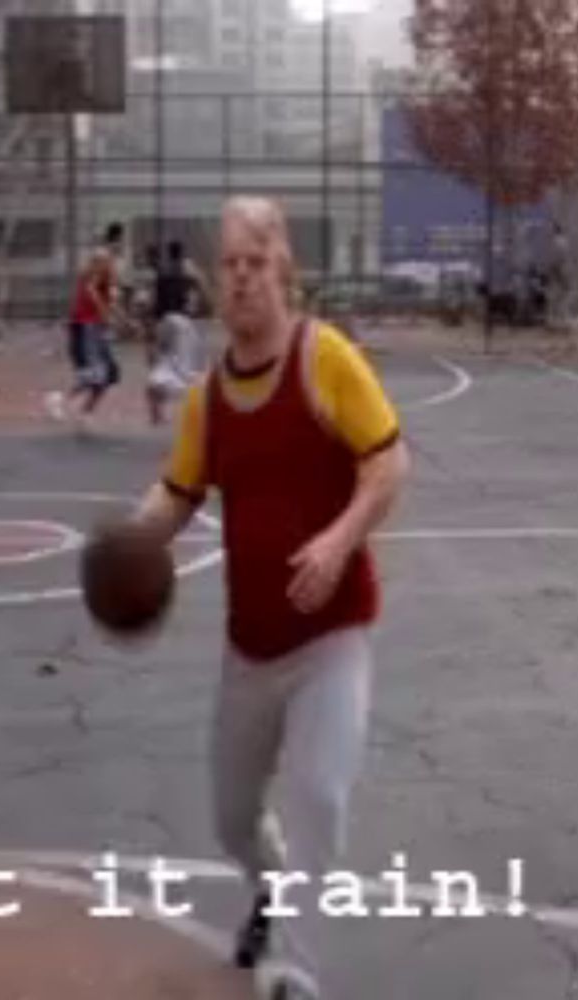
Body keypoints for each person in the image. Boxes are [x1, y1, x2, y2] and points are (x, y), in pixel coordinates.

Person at [131, 197, 410, 1000]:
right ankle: (270, 882)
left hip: (333, 636)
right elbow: (178, 492)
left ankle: (297, 973)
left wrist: (339, 537)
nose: (244, 276)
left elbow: (388, 465)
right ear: (217, 279)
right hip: (248, 646)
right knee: (231, 820)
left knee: (320, 794)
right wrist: (129, 537)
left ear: (284, 269)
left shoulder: (327, 362)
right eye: (231, 263)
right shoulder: (209, 400)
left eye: (258, 260)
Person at [45, 224, 129, 424]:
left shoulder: (109, 262)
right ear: (117, 239)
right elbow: (90, 289)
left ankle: (86, 412)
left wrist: (125, 320)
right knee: (96, 373)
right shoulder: (102, 257)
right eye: (122, 241)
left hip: (95, 324)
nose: (123, 246)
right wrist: (104, 312)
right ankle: (58, 399)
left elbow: (108, 296)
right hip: (86, 324)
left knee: (109, 373)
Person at [145, 240, 211, 425]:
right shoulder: (187, 271)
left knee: (161, 361)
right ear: (182, 254)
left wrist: (149, 329)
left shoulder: (162, 273)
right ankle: (191, 403)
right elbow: (203, 291)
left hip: (162, 320)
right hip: (180, 322)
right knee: (182, 367)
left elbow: (153, 301)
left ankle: (157, 410)